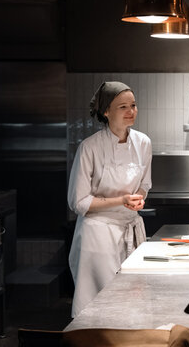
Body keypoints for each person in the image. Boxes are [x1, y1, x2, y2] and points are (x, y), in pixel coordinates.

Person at [68, 81, 152, 317]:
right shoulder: (89, 148)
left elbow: (145, 184)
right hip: (98, 234)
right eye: (122, 107)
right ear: (106, 112)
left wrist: (139, 199)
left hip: (132, 230)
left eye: (133, 105)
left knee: (133, 302)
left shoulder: (143, 143)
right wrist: (121, 200)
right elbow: (79, 202)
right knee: (99, 308)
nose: (131, 111)